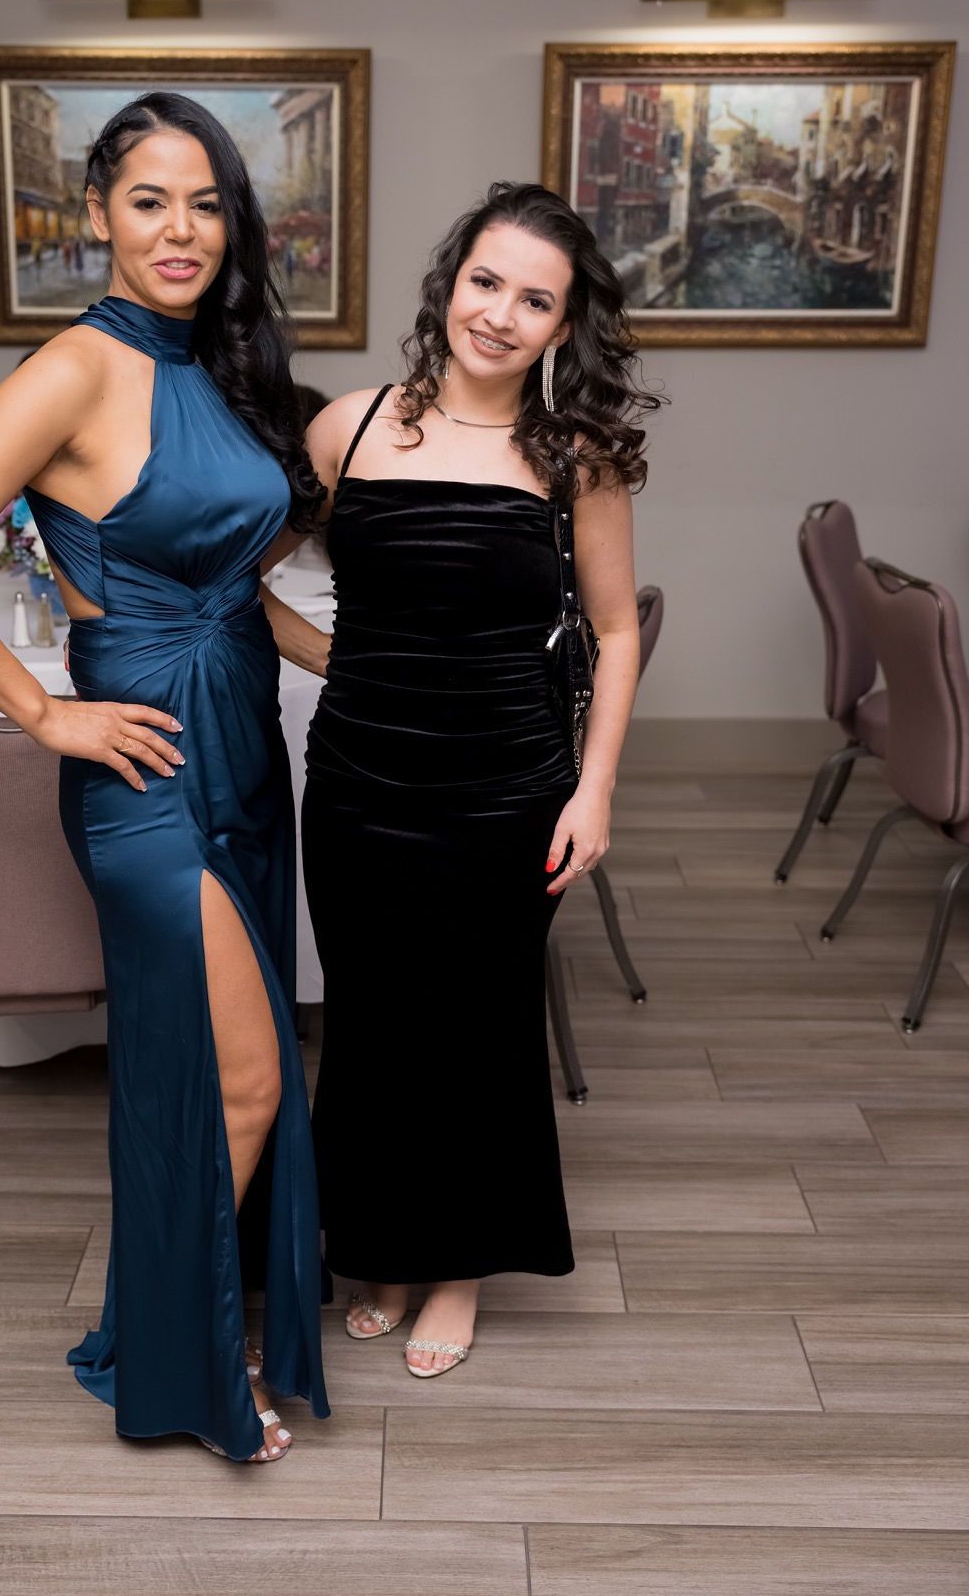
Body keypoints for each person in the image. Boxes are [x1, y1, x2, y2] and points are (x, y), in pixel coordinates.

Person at [0, 91, 329, 1463]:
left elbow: (240, 579)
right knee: (247, 1078)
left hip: (243, 734)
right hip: (144, 766)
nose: (181, 229)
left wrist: (346, 662)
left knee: (207, 1066)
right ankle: (184, 1362)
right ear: (98, 218)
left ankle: (177, 1322)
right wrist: (42, 712)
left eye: (206, 203)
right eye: (149, 201)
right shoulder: (73, 366)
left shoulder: (222, 363)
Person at [263, 181, 659, 1376]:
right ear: (451, 282)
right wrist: (345, 657)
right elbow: (245, 575)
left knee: (480, 1031)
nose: (500, 314)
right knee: (375, 1025)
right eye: (487, 282)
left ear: (561, 327)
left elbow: (617, 631)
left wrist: (593, 793)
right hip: (360, 779)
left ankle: (459, 1272)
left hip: (507, 787)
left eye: (534, 300)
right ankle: (378, 1245)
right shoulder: (348, 428)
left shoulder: (573, 458)